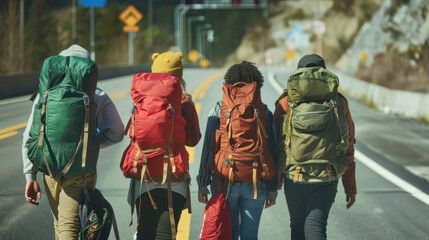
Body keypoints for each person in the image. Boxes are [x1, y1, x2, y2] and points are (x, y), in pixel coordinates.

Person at [22, 44, 124, 239]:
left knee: (60, 224)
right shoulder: (98, 95)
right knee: (68, 227)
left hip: (49, 168)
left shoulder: (44, 95)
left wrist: (30, 175)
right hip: (80, 172)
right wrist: (92, 143)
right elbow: (117, 132)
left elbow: (29, 136)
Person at [274, 54, 356, 240]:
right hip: (327, 175)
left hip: (294, 175)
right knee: (316, 227)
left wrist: (276, 179)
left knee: (297, 226)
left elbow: (277, 142)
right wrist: (350, 186)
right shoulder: (339, 102)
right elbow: (348, 144)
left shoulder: (286, 102)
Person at [197, 61, 278, 240]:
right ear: (257, 84)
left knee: (229, 235)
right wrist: (272, 188)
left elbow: (208, 149)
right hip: (256, 183)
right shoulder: (264, 111)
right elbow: (271, 150)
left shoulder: (218, 109)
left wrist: (203, 182)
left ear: (229, 83)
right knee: (250, 236)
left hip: (225, 181)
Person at [127, 51, 201, 240]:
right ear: (179, 75)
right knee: (166, 236)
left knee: (145, 232)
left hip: (143, 178)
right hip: (174, 180)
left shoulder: (140, 101)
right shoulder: (185, 104)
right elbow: (193, 140)